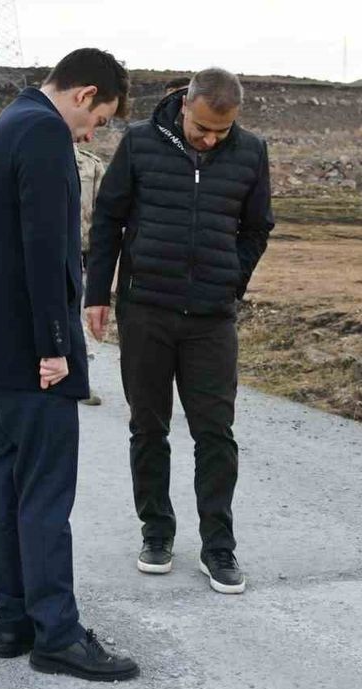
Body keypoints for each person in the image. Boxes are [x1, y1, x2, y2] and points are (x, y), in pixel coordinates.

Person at [0, 48, 139, 682]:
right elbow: (46, 247)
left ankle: (13, 620)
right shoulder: (46, 133)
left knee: (4, 483)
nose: (93, 132)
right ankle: (57, 633)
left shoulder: (6, 123)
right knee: (45, 491)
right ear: (84, 94)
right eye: (100, 118)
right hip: (31, 348)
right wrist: (55, 344)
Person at [86, 67, 274, 595]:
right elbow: (108, 219)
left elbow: (258, 226)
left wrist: (230, 281)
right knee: (149, 428)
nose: (212, 140)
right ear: (185, 105)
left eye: (222, 132)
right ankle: (157, 531)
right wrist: (97, 294)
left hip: (211, 319)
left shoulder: (251, 151)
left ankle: (219, 546)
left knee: (215, 433)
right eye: (203, 130)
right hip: (146, 309)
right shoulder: (141, 142)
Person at [75, 145, 106, 406]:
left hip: (77, 254)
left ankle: (79, 380)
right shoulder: (36, 152)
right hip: (38, 252)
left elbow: (104, 214)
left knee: (75, 319)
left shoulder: (91, 165)